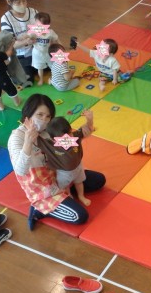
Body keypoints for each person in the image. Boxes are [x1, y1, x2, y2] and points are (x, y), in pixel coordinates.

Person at [6, 94, 106, 230]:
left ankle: (67, 193)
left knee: (99, 180)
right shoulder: (17, 137)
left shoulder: (48, 130)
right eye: (40, 115)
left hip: (61, 176)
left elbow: (74, 138)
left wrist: (89, 122)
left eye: (48, 116)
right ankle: (39, 210)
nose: (44, 120)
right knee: (80, 216)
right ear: (28, 114)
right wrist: (28, 142)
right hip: (44, 190)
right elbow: (20, 170)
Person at [38, 113, 94, 206]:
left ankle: (81, 196)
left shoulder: (74, 137)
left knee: (79, 183)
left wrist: (89, 120)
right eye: (63, 138)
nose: (69, 138)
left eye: (70, 133)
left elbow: (86, 129)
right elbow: (36, 139)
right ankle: (70, 198)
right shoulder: (49, 145)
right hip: (63, 173)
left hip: (78, 167)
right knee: (65, 187)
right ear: (54, 139)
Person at [0, 0, 38, 84]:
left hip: (37, 50)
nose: (23, 4)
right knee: (27, 80)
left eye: (24, 0)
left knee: (57, 64)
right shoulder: (6, 19)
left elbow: (42, 30)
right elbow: (10, 45)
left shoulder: (33, 12)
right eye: (18, 2)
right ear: (9, 2)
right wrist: (26, 41)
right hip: (21, 55)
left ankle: (34, 67)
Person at [30, 12, 59, 85]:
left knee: (53, 66)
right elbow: (29, 36)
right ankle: (41, 79)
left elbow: (56, 39)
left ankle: (53, 78)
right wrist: (29, 37)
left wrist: (59, 47)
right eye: (36, 24)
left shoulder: (50, 32)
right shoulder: (34, 32)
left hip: (48, 52)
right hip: (37, 53)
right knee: (39, 67)